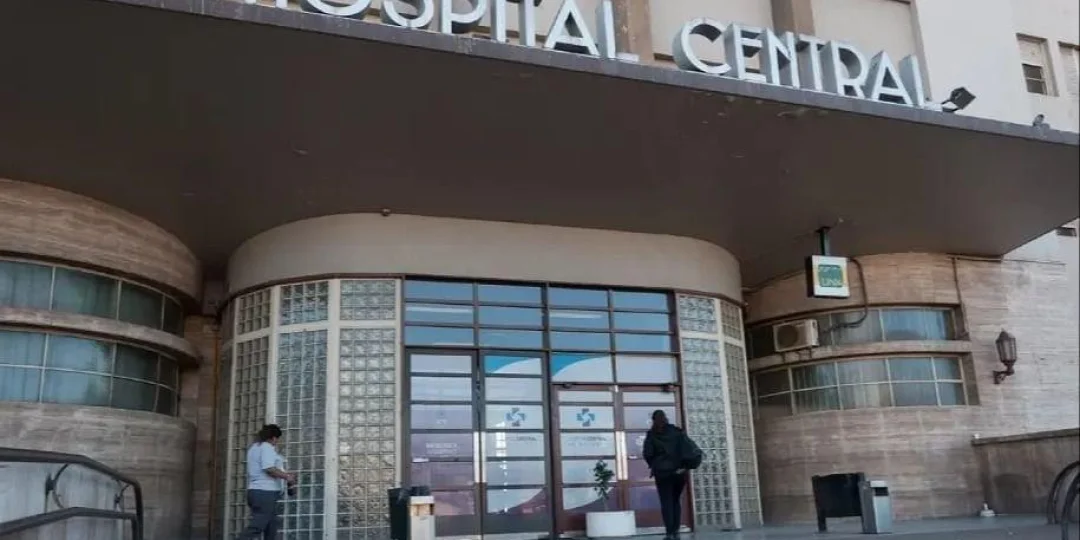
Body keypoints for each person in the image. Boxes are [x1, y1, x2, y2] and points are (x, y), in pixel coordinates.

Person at [238, 424, 296, 540]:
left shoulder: (254, 448)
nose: (277, 442)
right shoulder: (266, 447)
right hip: (265, 492)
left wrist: (285, 475)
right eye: (277, 439)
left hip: (257, 491)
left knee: (271, 526)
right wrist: (287, 477)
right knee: (257, 526)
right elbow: (269, 468)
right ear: (274, 438)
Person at [642, 410, 688, 540]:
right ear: (666, 418)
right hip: (679, 472)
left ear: (653, 420)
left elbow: (647, 453)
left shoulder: (652, 434)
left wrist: (654, 464)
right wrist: (683, 466)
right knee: (675, 500)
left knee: (666, 501)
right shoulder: (676, 431)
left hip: (662, 473)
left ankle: (669, 533)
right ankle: (676, 531)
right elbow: (686, 449)